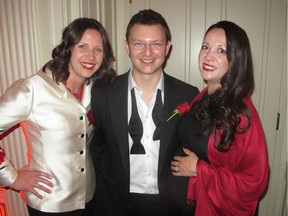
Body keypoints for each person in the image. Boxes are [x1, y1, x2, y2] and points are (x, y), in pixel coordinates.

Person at [0, 17, 115, 215]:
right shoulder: (32, 89)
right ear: (68, 48)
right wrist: (13, 178)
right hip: (49, 203)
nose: (91, 56)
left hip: (89, 198)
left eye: (98, 49)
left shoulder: (95, 89)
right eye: (83, 46)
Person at [91, 9, 199, 216]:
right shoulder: (102, 94)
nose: (147, 52)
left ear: (167, 47)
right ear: (127, 47)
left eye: (156, 44)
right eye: (138, 43)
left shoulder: (188, 94)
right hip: (117, 202)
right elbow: (97, 149)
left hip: (169, 202)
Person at [169, 20, 269, 215]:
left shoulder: (240, 112)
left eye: (221, 50)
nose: (208, 55)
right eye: (205, 47)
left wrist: (199, 169)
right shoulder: (203, 95)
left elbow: (254, 182)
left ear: (236, 59)